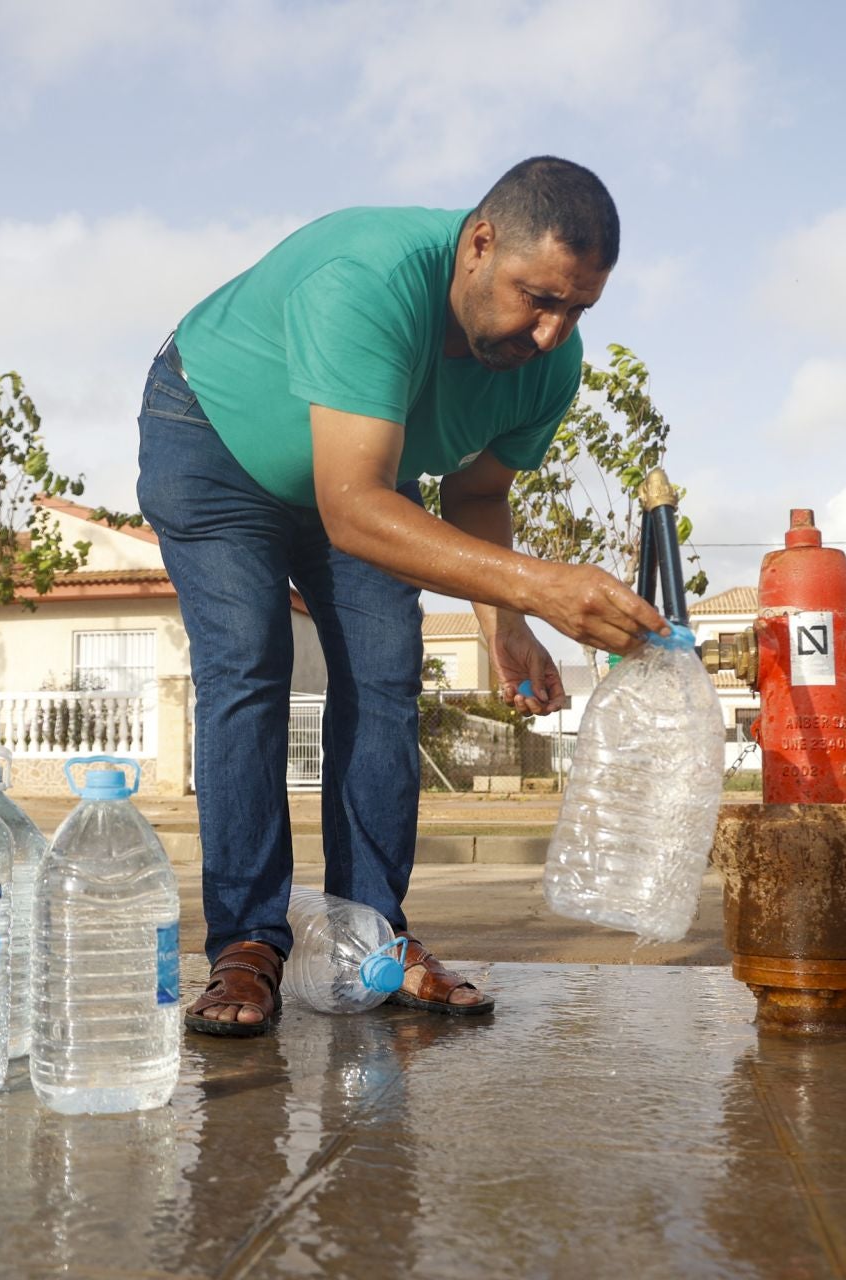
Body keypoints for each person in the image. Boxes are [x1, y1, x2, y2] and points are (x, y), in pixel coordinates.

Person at [136, 156, 668, 1037]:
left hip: (358, 482)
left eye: (577, 308)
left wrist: (510, 624)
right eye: (537, 297)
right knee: (250, 667)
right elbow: (354, 512)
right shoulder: (369, 278)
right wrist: (539, 581)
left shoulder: (549, 364)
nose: (551, 331)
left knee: (385, 675)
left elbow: (476, 496)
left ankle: (370, 939)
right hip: (214, 437)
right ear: (479, 242)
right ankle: (248, 942)